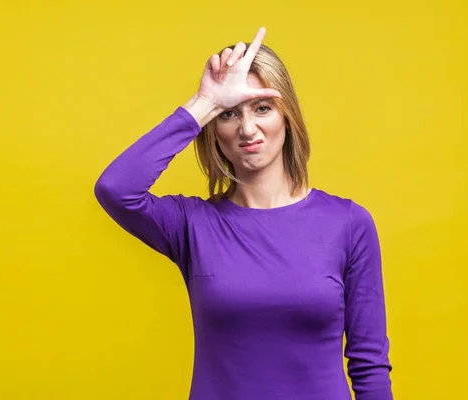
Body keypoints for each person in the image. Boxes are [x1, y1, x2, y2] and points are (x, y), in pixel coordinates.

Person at [94, 27, 393, 400]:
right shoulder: (193, 225)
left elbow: (369, 365)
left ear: (288, 116)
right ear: (213, 130)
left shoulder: (348, 224)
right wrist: (203, 103)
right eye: (229, 114)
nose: (247, 129)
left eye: (262, 108)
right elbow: (116, 189)